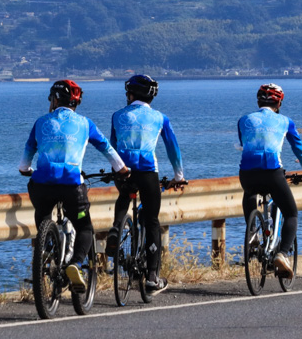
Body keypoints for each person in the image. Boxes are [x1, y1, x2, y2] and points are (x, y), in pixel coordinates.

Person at [19, 79, 130, 292]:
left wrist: (27, 170)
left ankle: (47, 250)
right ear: (75, 102)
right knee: (84, 227)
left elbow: (25, 162)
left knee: (42, 215)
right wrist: (122, 169)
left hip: (42, 186)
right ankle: (76, 264)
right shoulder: (85, 123)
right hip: (72, 187)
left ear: (54, 99)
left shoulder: (41, 122)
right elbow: (106, 148)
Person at [105, 73, 186, 295]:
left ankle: (116, 227)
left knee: (124, 196)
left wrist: (116, 170)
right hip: (148, 171)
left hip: (123, 169)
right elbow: (172, 149)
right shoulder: (160, 118)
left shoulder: (116, 116)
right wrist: (178, 176)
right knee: (151, 220)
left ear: (131, 94)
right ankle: (152, 276)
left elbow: (112, 147)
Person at [237, 83, 302, 279]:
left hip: (246, 173)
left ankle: (253, 234)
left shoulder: (243, 120)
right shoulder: (285, 121)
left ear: (258, 101)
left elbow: (243, 144)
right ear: (279, 102)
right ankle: (282, 254)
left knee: (249, 193)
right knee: (291, 213)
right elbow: (299, 149)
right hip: (272, 172)